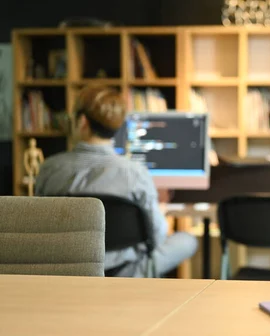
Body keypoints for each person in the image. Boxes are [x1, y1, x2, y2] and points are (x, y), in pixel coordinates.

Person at [34, 85, 198, 277]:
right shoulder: (135, 173)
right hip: (123, 271)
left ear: (82, 122)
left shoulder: (49, 169)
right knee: (187, 240)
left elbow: (40, 227)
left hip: (68, 269)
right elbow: (157, 237)